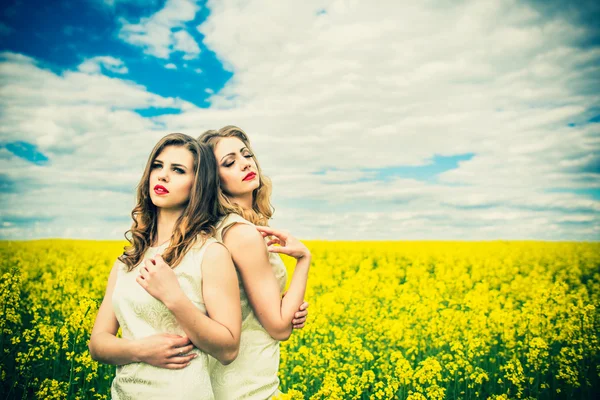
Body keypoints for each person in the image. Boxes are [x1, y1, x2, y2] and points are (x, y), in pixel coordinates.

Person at [89, 133, 242, 399]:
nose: (162, 176)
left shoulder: (210, 254)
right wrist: (140, 350)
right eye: (157, 166)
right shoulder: (128, 260)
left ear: (198, 184)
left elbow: (228, 350)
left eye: (178, 170)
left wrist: (174, 297)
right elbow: (98, 344)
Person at [199, 126, 311, 399]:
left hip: (231, 378)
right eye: (229, 162)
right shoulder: (242, 233)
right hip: (248, 384)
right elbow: (279, 328)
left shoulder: (223, 227)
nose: (245, 163)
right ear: (214, 179)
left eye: (246, 154)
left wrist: (287, 304)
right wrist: (303, 259)